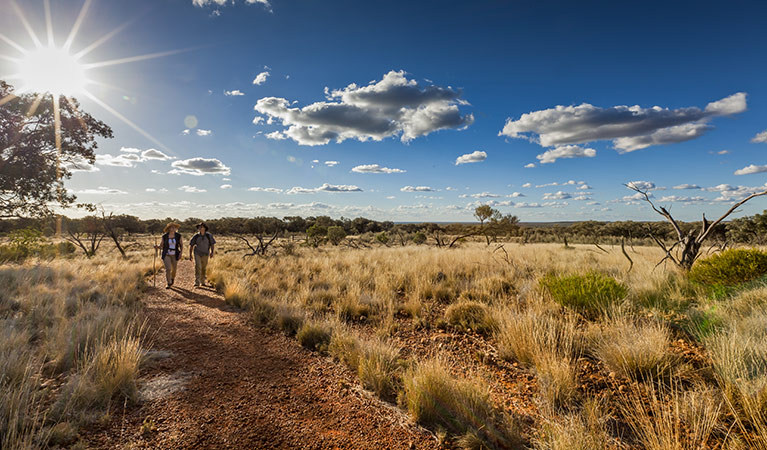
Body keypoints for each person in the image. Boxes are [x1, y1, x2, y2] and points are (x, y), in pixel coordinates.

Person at [189, 222, 215, 287]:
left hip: (206, 253)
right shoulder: (196, 236)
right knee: (198, 267)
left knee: (204, 268)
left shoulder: (209, 236)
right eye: (199, 227)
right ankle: (197, 282)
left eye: (202, 227)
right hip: (197, 253)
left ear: (205, 228)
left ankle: (202, 281)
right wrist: (190, 254)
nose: (200, 228)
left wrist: (212, 252)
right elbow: (191, 245)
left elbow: (212, 244)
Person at [158, 222, 182, 289]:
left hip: (175, 254)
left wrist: (181, 253)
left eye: (174, 227)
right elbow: (161, 245)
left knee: (174, 269)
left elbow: (181, 245)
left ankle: (172, 278)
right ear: (169, 228)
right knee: (168, 269)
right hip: (167, 254)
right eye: (171, 227)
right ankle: (168, 283)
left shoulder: (178, 236)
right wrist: (157, 247)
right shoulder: (164, 236)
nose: (173, 228)